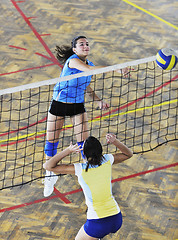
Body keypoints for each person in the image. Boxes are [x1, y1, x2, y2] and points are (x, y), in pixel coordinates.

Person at [43, 35, 130, 197]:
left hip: (77, 106)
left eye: (87, 44)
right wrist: (117, 69)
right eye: (81, 44)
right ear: (75, 49)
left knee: (84, 143)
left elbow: (87, 85)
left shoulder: (88, 64)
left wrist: (97, 100)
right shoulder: (72, 61)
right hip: (59, 104)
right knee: (51, 142)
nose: (86, 46)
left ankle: (89, 175)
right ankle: (50, 176)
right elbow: (89, 71)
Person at [43, 133, 133, 239]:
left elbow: (47, 166)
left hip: (98, 223)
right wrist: (115, 141)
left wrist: (68, 150)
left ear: (84, 154)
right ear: (100, 151)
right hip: (116, 218)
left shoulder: (80, 169)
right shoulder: (108, 159)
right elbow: (128, 154)